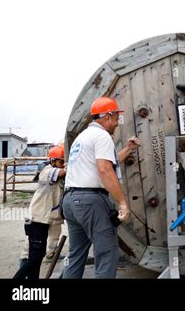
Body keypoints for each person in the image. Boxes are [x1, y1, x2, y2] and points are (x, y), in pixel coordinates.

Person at [62, 96, 140, 278]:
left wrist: (128, 148)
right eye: (116, 119)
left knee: (76, 255)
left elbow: (106, 163)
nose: (117, 124)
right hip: (91, 202)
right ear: (107, 117)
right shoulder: (102, 136)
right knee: (107, 254)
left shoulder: (83, 137)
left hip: (71, 201)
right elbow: (105, 170)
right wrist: (122, 203)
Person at [13, 145, 66, 279]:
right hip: (38, 219)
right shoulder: (47, 171)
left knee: (37, 257)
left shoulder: (57, 171)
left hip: (47, 218)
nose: (62, 165)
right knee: (33, 258)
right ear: (52, 161)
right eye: (61, 162)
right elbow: (62, 173)